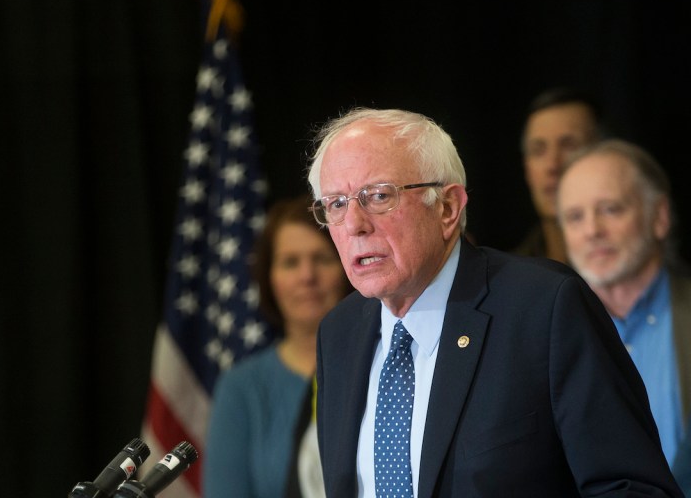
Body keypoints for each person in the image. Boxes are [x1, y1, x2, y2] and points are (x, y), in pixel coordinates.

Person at [306, 107, 682, 497]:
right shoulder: (339, 333)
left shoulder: (544, 308)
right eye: (335, 204)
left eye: (378, 196)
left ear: (448, 208)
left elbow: (631, 487)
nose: (354, 224)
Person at [202, 194, 353, 498]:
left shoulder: (383, 366)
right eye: (290, 262)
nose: (307, 276)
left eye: (322, 258)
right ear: (269, 278)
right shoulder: (240, 388)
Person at [556, 138, 691, 477]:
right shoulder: (542, 337)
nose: (592, 231)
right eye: (575, 217)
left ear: (659, 216)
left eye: (611, 209)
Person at [514, 87, 606, 263]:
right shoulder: (505, 279)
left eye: (569, 146)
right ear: (527, 170)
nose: (552, 165)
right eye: (538, 150)